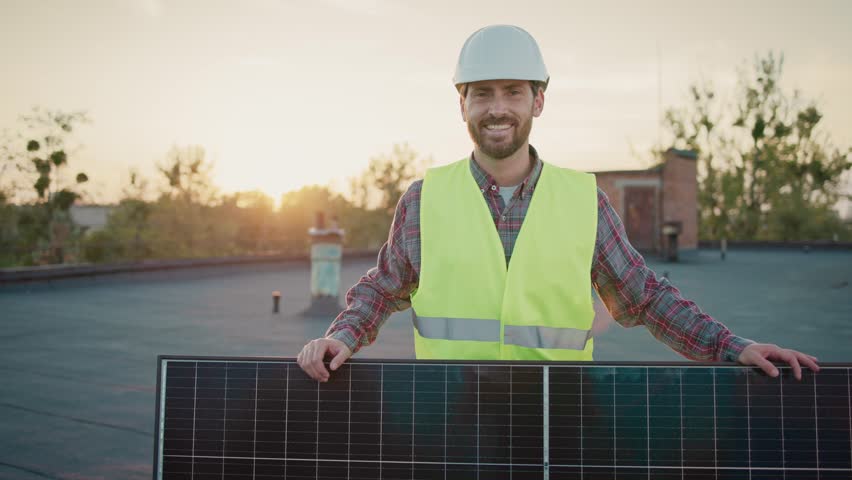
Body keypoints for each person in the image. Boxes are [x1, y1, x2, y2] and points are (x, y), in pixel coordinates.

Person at [298, 24, 819, 382]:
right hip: (450, 420)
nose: (497, 108)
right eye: (481, 93)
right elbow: (383, 288)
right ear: (462, 104)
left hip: (557, 421)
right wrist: (339, 337)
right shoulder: (423, 199)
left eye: (512, 92)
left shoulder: (582, 201)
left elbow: (643, 298)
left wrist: (734, 347)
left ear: (538, 101)